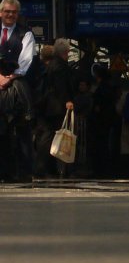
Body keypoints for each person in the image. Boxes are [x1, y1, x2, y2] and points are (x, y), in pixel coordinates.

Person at [0, 0, 37, 181]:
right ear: (0, 13)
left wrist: (9, 77)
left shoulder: (26, 34)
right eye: (7, 11)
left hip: (15, 86)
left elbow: (26, 61)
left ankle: (22, 172)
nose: (10, 15)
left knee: (21, 128)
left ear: (18, 14)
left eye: (14, 12)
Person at [34, 38, 75, 179]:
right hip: (57, 107)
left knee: (50, 137)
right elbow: (61, 86)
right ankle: (44, 167)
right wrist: (67, 101)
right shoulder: (60, 66)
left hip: (50, 106)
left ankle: (48, 168)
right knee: (52, 136)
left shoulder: (52, 64)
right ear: (66, 51)